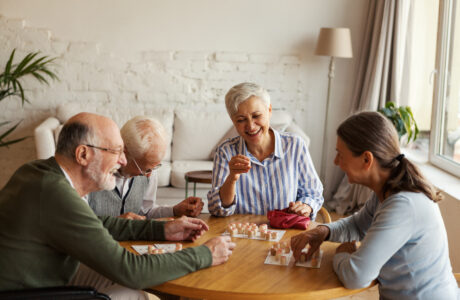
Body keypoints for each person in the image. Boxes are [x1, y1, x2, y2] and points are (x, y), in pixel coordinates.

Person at [0, 112, 235, 299]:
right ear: (83, 155)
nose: (122, 161)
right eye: (115, 151)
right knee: (134, 293)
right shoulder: (55, 193)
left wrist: (161, 229)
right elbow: (130, 270)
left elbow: (95, 224)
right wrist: (205, 254)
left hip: (45, 276)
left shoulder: (38, 172)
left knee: (134, 290)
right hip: (30, 293)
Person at [290, 111, 458, 299]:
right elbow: (356, 225)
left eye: (340, 154)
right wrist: (323, 231)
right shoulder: (386, 191)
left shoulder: (402, 206)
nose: (336, 162)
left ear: (366, 159)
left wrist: (342, 254)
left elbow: (356, 276)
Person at [207, 82, 323, 219]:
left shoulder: (295, 145)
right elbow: (217, 209)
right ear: (233, 121)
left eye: (256, 116)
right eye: (241, 120)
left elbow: (313, 193)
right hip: (243, 236)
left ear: (269, 111)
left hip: (286, 233)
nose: (250, 126)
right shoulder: (225, 152)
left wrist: (306, 206)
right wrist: (232, 178)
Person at [88, 116, 203, 220]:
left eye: (154, 167)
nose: (149, 175)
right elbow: (77, 224)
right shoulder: (91, 172)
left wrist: (175, 210)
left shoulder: (150, 170)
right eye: (145, 169)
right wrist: (117, 223)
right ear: (124, 152)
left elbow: (146, 211)